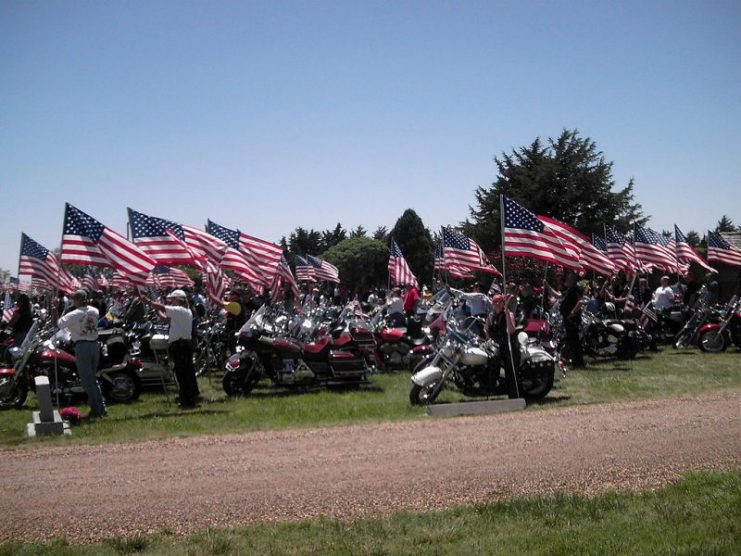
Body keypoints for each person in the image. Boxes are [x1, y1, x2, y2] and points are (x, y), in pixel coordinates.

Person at [144, 289, 199, 409]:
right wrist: (156, 309)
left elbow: (163, 308)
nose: (171, 302)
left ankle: (187, 401)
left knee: (183, 374)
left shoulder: (180, 310)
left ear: (179, 300)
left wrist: (149, 301)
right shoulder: (183, 311)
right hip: (183, 344)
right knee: (185, 373)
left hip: (181, 345)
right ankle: (189, 398)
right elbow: (165, 317)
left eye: (173, 299)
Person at [56, 289, 107, 418]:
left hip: (82, 346)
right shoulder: (94, 311)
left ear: (78, 300)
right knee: (92, 379)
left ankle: (97, 410)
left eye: (74, 299)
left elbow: (60, 323)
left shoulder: (75, 313)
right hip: (94, 345)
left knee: (87, 380)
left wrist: (56, 308)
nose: (73, 301)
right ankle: (101, 407)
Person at [484, 294, 520, 398]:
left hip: (508, 344)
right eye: (494, 302)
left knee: (511, 370)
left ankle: (514, 395)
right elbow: (485, 328)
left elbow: (512, 330)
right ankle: (491, 388)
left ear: (503, 303)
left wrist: (507, 313)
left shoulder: (509, 314)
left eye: (499, 302)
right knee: (493, 359)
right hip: (496, 344)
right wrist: (488, 338)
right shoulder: (491, 316)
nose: (496, 304)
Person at [560, 273, 585, 368]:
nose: (567, 280)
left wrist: (572, 313)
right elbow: (558, 295)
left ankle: (579, 363)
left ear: (573, 280)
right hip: (568, 319)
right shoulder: (569, 290)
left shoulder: (576, 289)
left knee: (575, 342)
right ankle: (576, 362)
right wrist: (547, 286)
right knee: (571, 341)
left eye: (569, 278)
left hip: (572, 319)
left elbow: (581, 301)